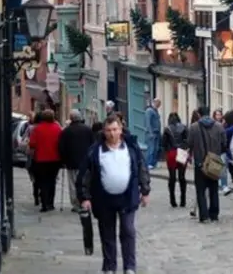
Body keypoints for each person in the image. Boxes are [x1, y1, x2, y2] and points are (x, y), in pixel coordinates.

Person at [76, 115, 151, 274]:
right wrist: (84, 197)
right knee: (107, 233)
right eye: (109, 130)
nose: (112, 133)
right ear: (104, 131)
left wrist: (145, 190)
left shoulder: (130, 147)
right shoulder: (95, 150)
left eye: (115, 129)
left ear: (121, 129)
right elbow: (85, 175)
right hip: (104, 198)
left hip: (127, 196)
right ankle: (109, 266)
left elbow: (141, 167)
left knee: (128, 231)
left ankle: (129, 267)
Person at [186, 106, 227, 223]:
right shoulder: (219, 126)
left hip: (200, 163)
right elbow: (224, 143)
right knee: (214, 188)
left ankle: (204, 215)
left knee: (200, 190)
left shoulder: (194, 127)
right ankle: (214, 214)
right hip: (214, 162)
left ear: (199, 114)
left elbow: (189, 143)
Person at [58, 110, 95, 212]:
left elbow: (61, 147)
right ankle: (85, 201)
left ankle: (76, 204)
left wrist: (63, 160)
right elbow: (93, 145)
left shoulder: (66, 131)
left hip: (71, 162)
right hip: (85, 162)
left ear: (71, 118)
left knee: (73, 184)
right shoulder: (88, 130)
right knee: (85, 182)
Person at [28, 109, 63, 213]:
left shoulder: (37, 129)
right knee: (52, 181)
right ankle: (50, 203)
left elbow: (32, 144)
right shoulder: (57, 129)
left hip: (40, 159)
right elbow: (61, 143)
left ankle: (44, 204)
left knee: (42, 181)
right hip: (55, 159)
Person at [162, 113, 188, 208]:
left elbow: (164, 143)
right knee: (182, 177)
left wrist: (166, 151)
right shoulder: (184, 127)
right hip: (181, 151)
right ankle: (183, 200)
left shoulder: (167, 129)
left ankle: (173, 200)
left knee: (172, 177)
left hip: (171, 152)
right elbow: (187, 140)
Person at [213, 108, 232, 195]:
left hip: (222, 150)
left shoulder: (224, 125)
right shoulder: (212, 125)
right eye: (217, 114)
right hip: (215, 150)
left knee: (223, 169)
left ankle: (224, 185)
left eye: (220, 114)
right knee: (215, 169)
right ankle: (215, 186)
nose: (218, 116)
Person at [144, 98, 162, 169]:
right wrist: (150, 132)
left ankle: (154, 163)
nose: (159, 105)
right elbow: (147, 122)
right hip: (152, 133)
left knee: (156, 149)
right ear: (154, 102)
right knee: (151, 148)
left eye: (159, 104)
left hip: (157, 132)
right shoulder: (149, 111)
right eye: (158, 104)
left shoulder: (155, 111)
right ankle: (149, 163)